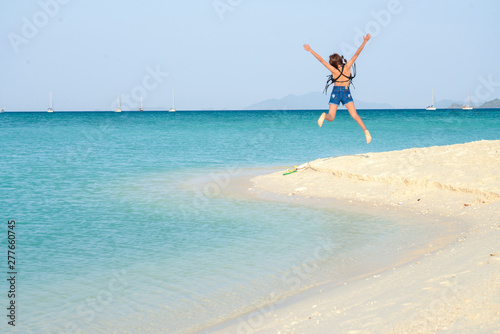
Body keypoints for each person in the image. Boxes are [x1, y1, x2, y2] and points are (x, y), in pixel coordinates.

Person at [303, 33, 372, 144]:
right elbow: (357, 53)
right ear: (340, 60)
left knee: (331, 116)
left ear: (333, 63)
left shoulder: (333, 71)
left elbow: (321, 60)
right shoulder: (348, 66)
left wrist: (310, 50)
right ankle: (365, 131)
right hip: (346, 92)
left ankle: (324, 115)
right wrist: (365, 41)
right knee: (354, 115)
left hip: (335, 92)